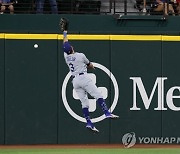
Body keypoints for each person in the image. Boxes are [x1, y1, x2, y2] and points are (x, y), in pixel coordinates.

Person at [61, 19, 119, 133]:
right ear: (72, 49)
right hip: (83, 78)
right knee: (97, 94)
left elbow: (65, 44)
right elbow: (89, 64)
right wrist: (92, 67)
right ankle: (106, 112)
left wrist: (65, 32)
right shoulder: (80, 55)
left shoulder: (66, 56)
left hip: (75, 81)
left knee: (85, 103)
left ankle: (89, 123)